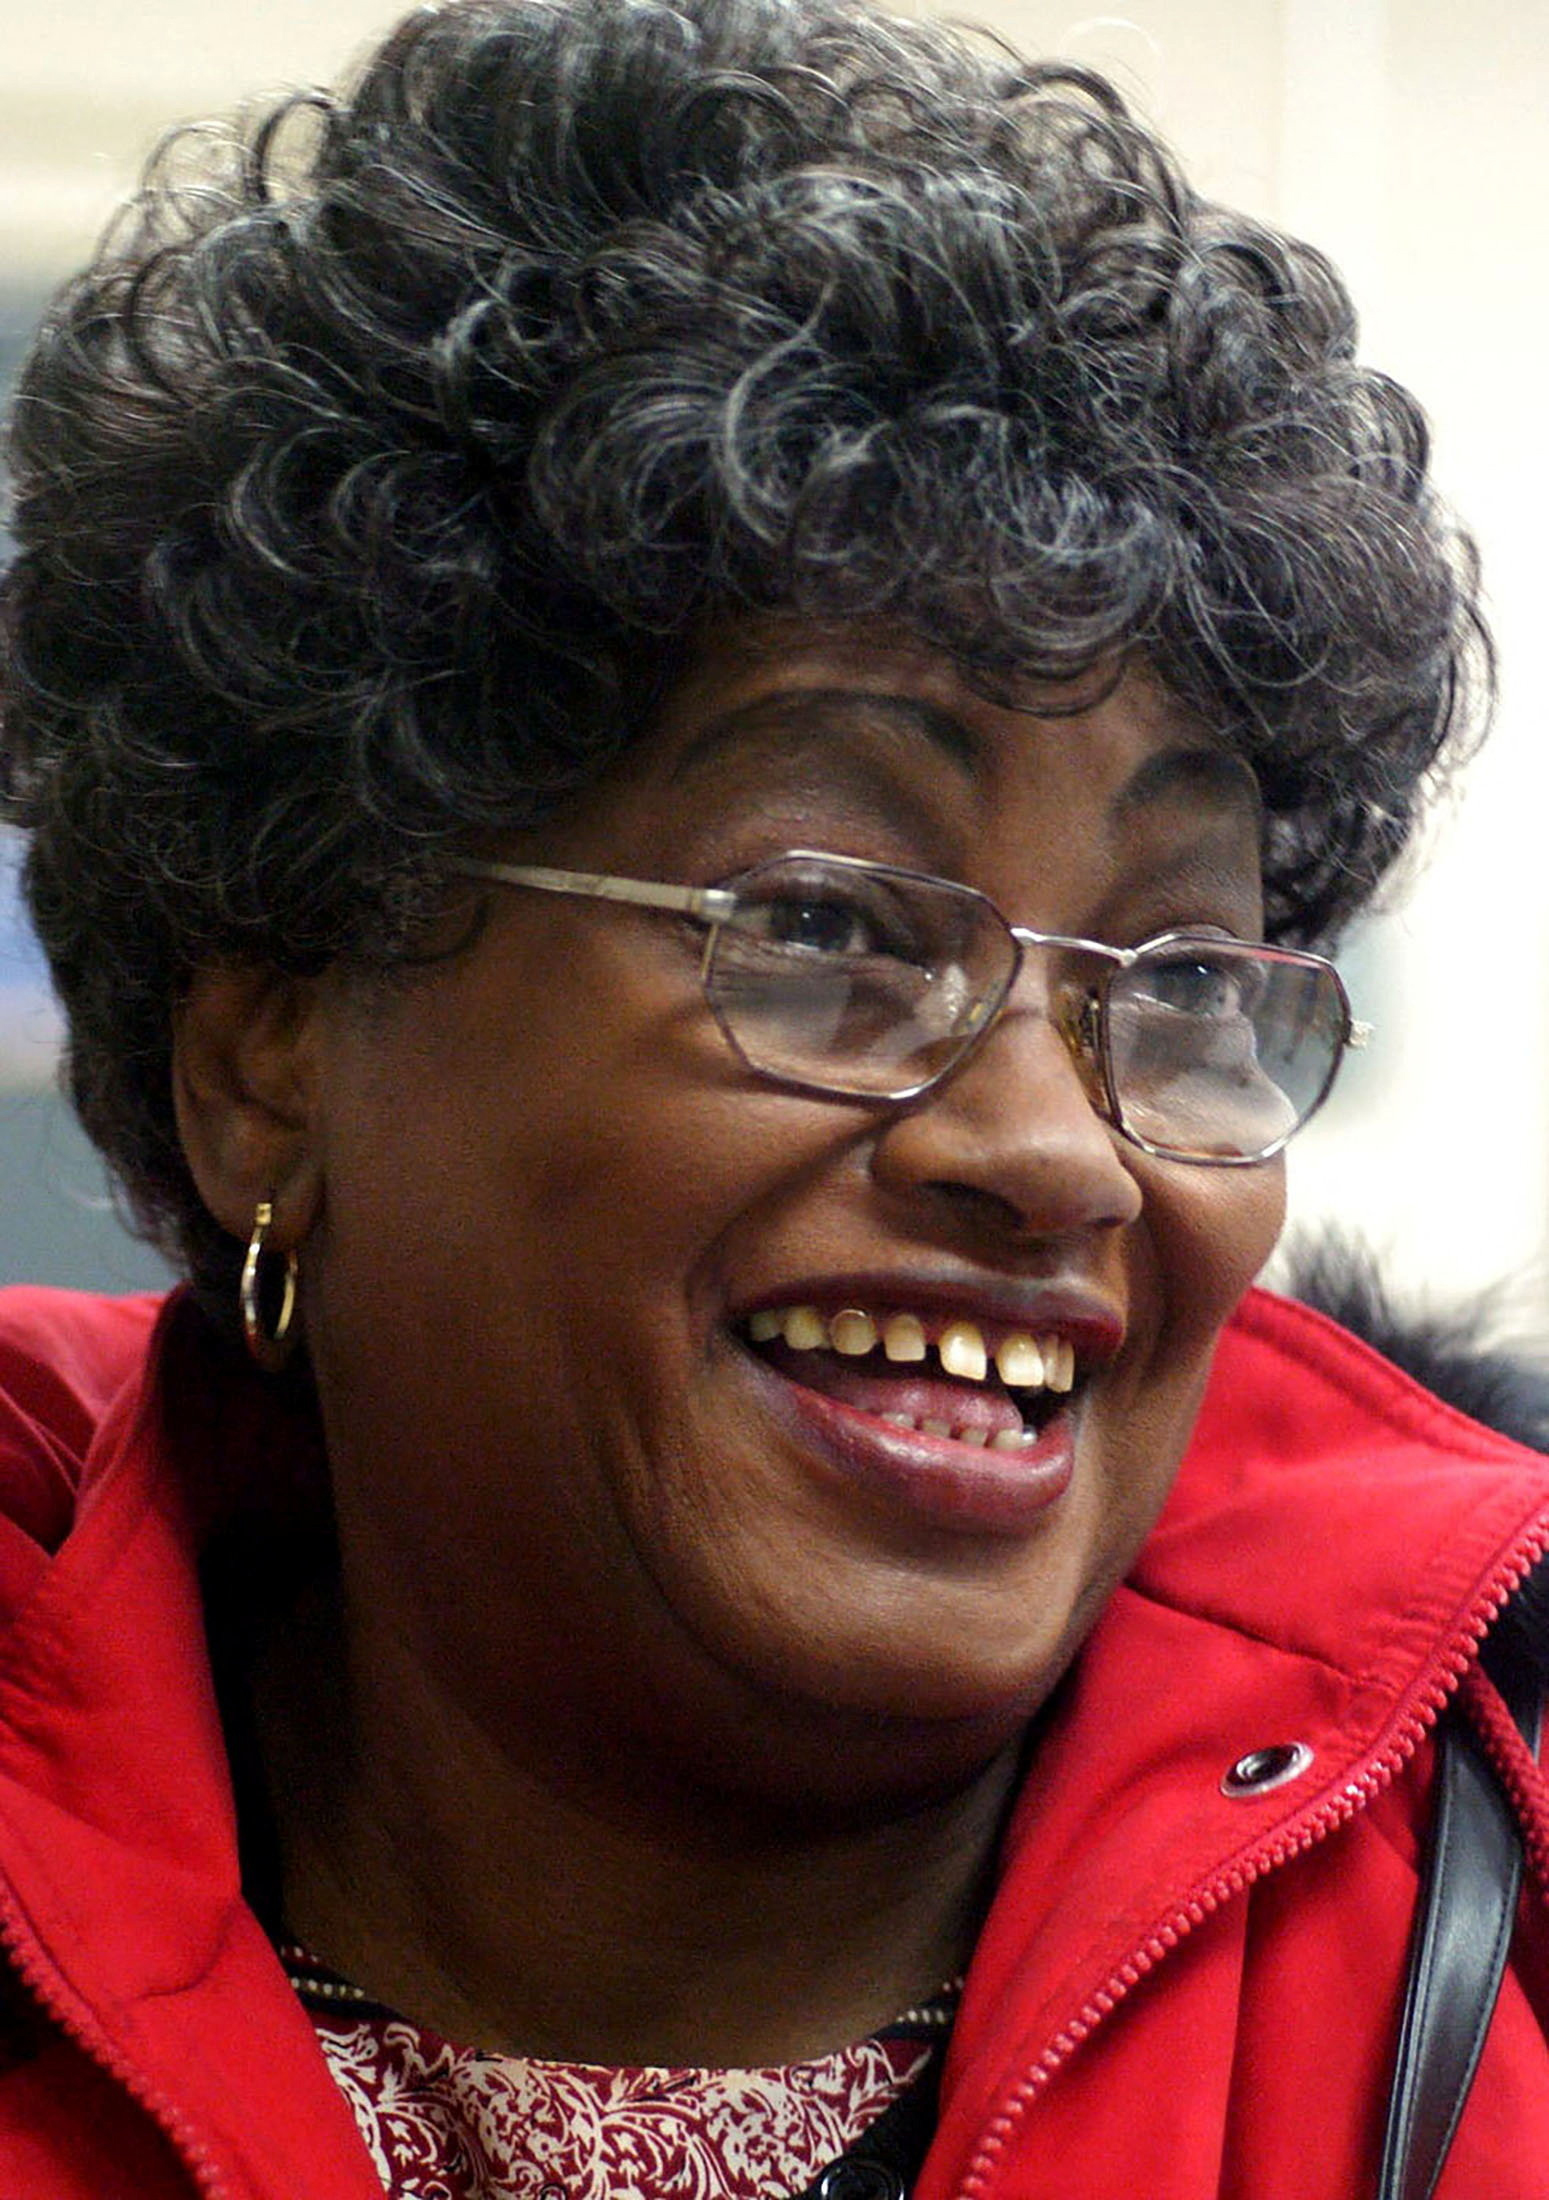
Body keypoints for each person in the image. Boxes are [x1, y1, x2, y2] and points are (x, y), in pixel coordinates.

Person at [0, 0, 1546, 2191]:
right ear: (270, 1051)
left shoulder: (1497, 1930)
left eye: (1182, 970)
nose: (1044, 1147)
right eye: (826, 930)